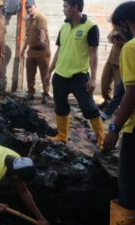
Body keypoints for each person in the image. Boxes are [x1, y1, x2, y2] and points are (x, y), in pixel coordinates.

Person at [45, 0, 105, 149]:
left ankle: (103, 141)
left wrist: (93, 78)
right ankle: (62, 136)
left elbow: (93, 54)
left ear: (75, 7)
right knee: (60, 107)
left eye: (66, 6)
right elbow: (59, 51)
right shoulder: (64, 27)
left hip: (79, 77)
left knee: (89, 109)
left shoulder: (91, 27)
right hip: (60, 76)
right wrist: (49, 71)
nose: (63, 9)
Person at [104, 2, 135, 223]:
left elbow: (132, 95)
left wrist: (114, 128)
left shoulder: (131, 48)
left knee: (128, 189)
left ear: (125, 23)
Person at [21, 0, 51, 104]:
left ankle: (46, 94)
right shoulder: (28, 20)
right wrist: (24, 49)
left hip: (42, 51)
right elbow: (28, 36)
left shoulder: (40, 17)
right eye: (27, 7)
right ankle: (30, 93)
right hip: (32, 51)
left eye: (30, 7)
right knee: (30, 73)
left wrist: (42, 40)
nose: (29, 9)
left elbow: (42, 30)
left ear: (35, 6)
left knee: (44, 74)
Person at [99, 30, 123, 109]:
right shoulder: (118, 27)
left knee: (117, 86)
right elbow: (109, 37)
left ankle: (117, 107)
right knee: (104, 82)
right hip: (110, 60)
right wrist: (113, 38)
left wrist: (123, 42)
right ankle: (106, 101)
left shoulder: (130, 28)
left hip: (121, 63)